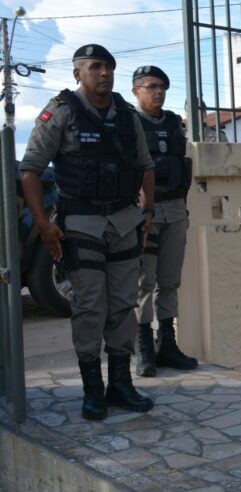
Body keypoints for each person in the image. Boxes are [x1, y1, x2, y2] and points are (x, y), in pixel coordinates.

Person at [20, 44, 155, 420]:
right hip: (81, 223)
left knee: (124, 303)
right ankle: (93, 389)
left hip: (125, 222)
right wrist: (44, 225)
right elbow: (30, 170)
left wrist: (147, 212)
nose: (104, 73)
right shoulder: (61, 112)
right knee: (91, 305)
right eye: (95, 67)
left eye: (109, 67)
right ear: (78, 73)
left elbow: (146, 166)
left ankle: (121, 385)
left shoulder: (128, 116)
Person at [131, 65, 199, 376]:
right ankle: (144, 346)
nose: (158, 92)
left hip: (173, 208)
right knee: (144, 282)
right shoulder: (128, 123)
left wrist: (183, 210)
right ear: (136, 91)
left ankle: (167, 345)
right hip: (144, 211)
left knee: (170, 281)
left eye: (162, 87)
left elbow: (181, 169)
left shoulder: (173, 123)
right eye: (151, 86)